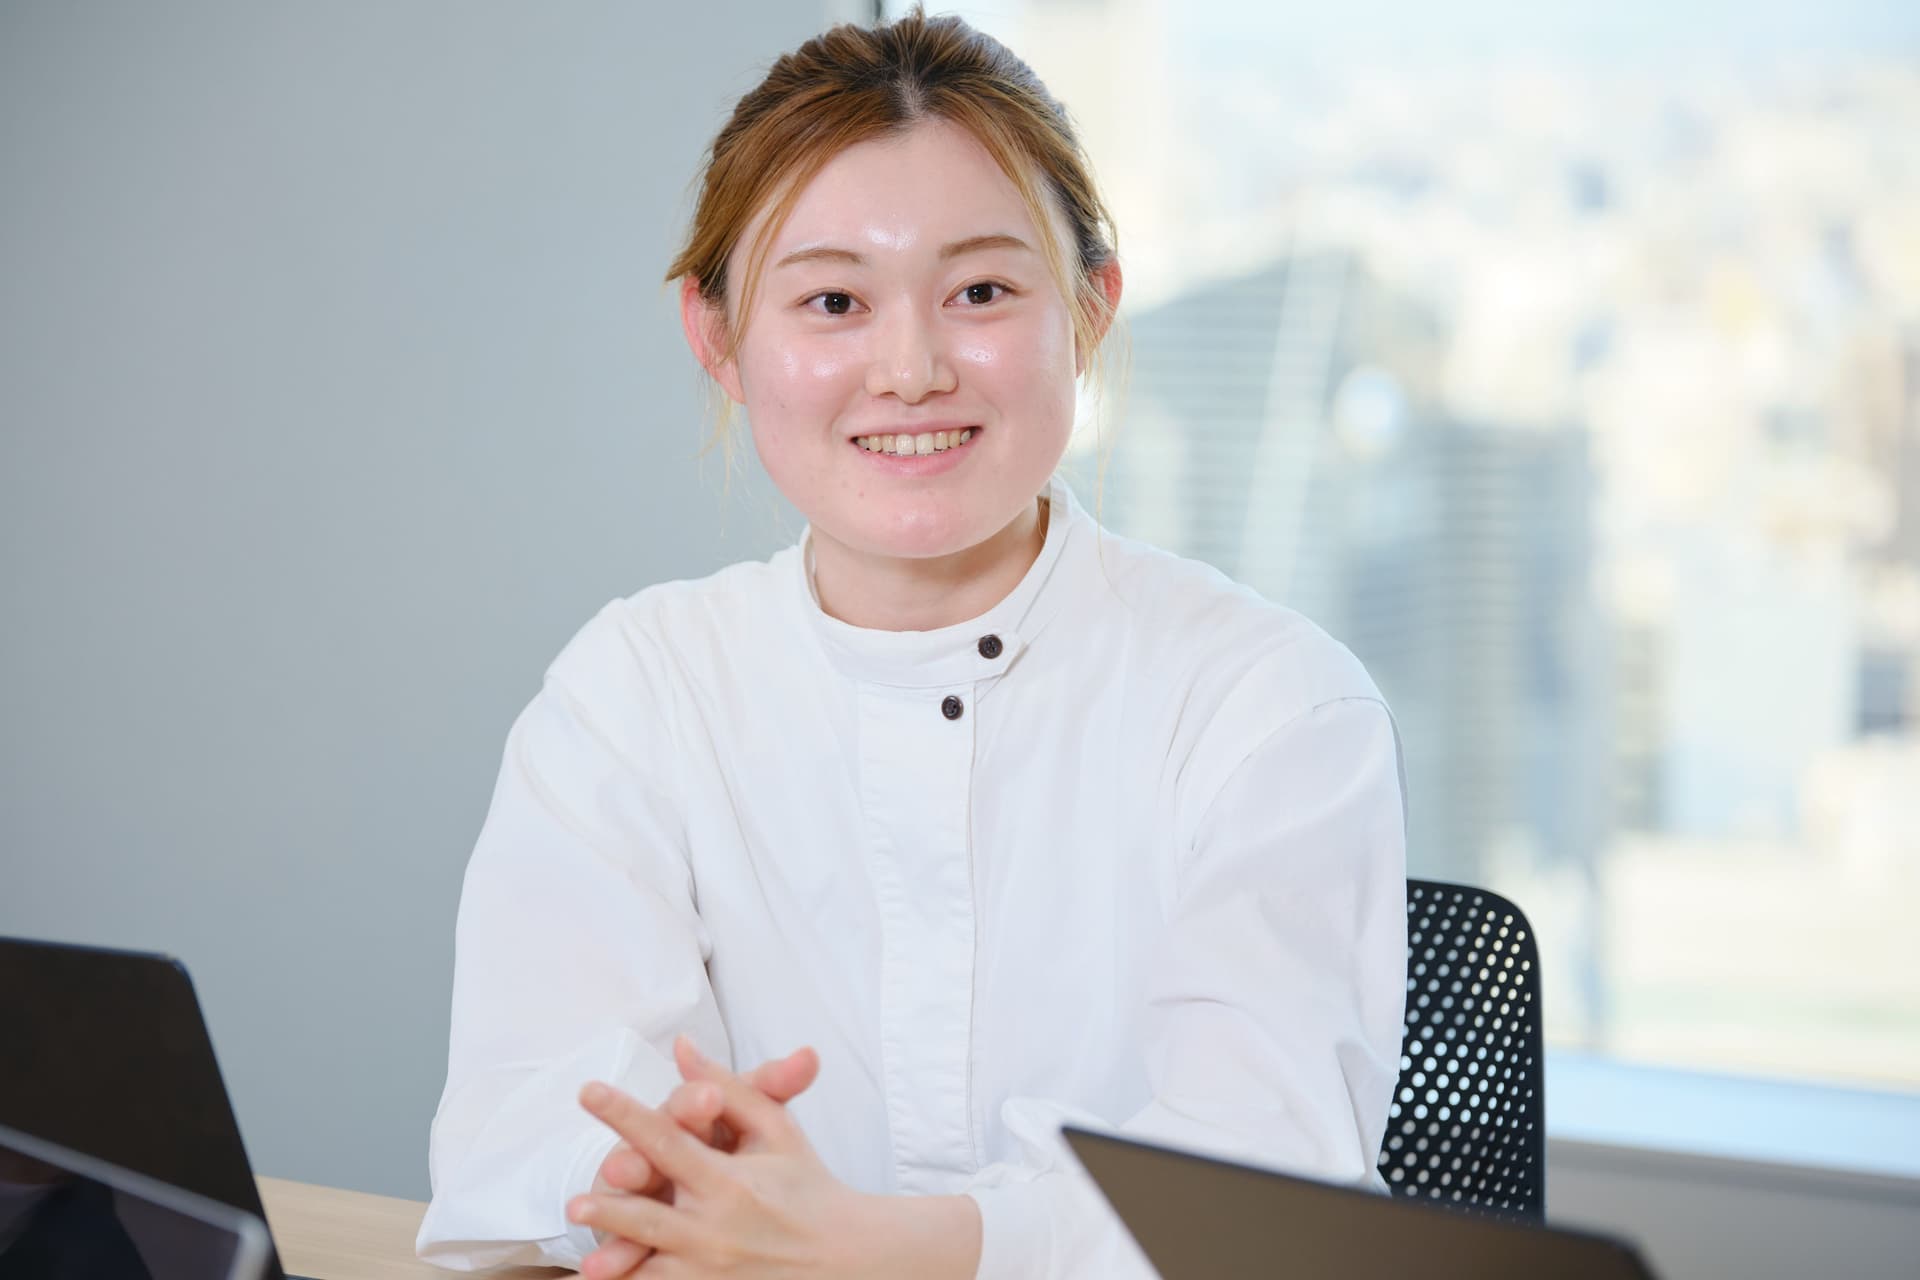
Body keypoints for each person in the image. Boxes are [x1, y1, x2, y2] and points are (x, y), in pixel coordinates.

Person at [415, 9, 1408, 1278]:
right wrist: (642, 1186)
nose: (910, 367)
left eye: (983, 291)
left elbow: (1257, 1211)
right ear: (715, 336)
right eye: (832, 299)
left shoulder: (1272, 707)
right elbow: (525, 1142)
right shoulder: (635, 694)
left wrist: (875, 1247)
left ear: (1089, 310)